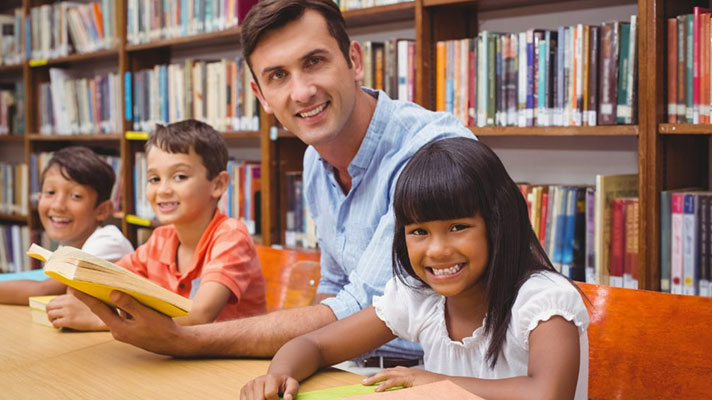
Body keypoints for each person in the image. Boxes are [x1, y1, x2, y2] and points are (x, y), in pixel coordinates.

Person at [75, 0, 472, 362]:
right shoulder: (315, 159)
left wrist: (185, 340)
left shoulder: (432, 152)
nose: (301, 91)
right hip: (354, 370)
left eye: (315, 61)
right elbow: (334, 285)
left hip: (445, 375)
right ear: (260, 94)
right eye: (278, 75)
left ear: (353, 60)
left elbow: (367, 307)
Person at [240, 137, 590, 400]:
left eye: (458, 227)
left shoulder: (543, 301)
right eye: (419, 232)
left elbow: (546, 393)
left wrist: (437, 382)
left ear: (498, 223)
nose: (437, 250)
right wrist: (279, 375)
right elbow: (313, 346)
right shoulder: (418, 296)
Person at [62, 120, 268, 330]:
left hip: (231, 360)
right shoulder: (161, 238)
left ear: (218, 185)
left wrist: (101, 319)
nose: (163, 190)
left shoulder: (231, 236)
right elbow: (98, 282)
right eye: (154, 179)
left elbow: (199, 315)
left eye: (179, 177)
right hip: (178, 355)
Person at [0, 146, 134, 319]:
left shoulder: (107, 242)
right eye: (50, 192)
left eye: (76, 196)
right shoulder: (69, 245)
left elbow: (43, 290)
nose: (57, 205)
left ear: (102, 210)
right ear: (39, 197)